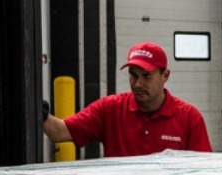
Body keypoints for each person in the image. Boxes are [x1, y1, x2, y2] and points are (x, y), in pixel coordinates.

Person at [42, 42, 211, 157]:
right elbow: (58, 132)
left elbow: (203, 172)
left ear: (165, 75)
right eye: (133, 75)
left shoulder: (189, 118)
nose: (138, 84)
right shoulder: (110, 109)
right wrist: (40, 112)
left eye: (146, 76)